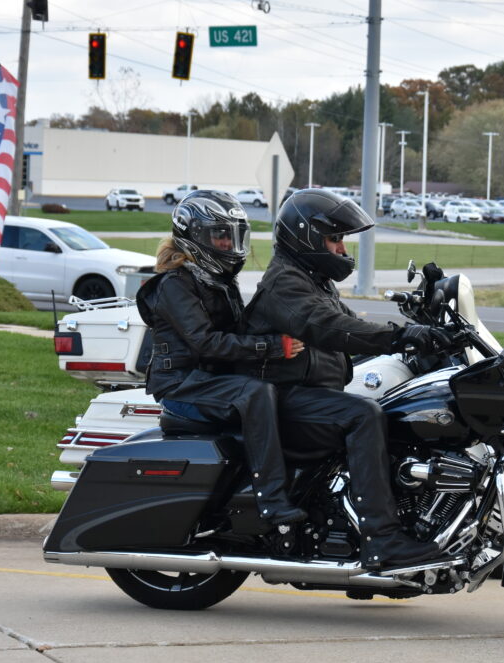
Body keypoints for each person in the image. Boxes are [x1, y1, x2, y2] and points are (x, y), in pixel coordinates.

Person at [243, 188, 449, 569]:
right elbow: (330, 327)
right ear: (306, 236)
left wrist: (420, 326)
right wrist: (399, 335)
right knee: (363, 414)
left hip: (307, 395)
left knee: (392, 406)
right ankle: (381, 540)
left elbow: (352, 325)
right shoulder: (284, 284)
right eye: (334, 238)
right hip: (284, 400)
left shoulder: (312, 279)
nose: (341, 249)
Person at [135, 190, 307, 525]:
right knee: (256, 393)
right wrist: (272, 347)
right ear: (194, 234)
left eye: (234, 236)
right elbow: (207, 343)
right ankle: (271, 500)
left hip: (210, 381)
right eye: (220, 235)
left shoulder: (217, 281)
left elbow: (241, 331)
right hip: (183, 385)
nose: (229, 244)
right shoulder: (175, 284)